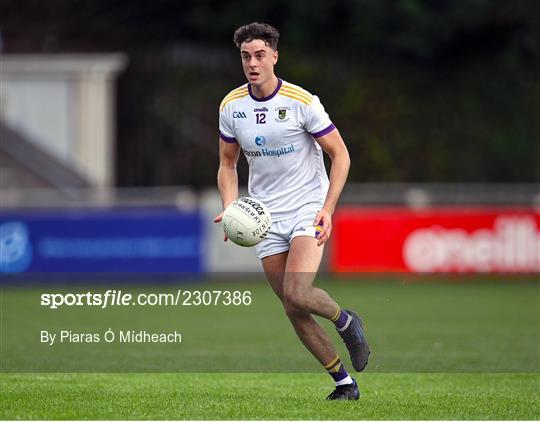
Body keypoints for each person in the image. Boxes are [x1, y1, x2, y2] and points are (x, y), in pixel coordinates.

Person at [214, 22, 370, 400]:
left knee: (297, 291)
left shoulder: (302, 102)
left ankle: (346, 321)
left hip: (307, 208)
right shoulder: (232, 106)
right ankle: (344, 384)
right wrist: (231, 207)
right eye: (246, 56)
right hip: (264, 218)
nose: (252, 63)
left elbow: (341, 154)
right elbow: (227, 164)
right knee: (291, 306)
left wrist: (328, 208)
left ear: (274, 57)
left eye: (260, 55)